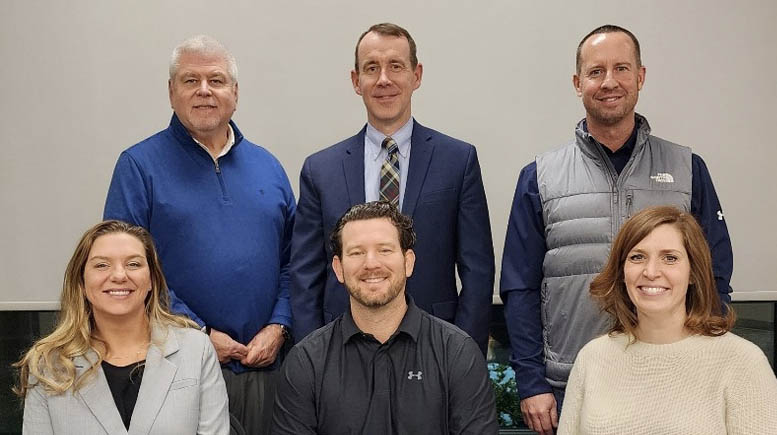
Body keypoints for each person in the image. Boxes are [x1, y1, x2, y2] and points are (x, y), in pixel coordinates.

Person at [500, 24, 734, 434]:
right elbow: (519, 287)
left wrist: (706, 362)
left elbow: (715, 274)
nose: (609, 82)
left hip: (672, 379)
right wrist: (531, 382)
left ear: (640, 77)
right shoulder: (540, 177)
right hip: (567, 384)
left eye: (622, 69)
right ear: (578, 83)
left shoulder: (687, 169)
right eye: (596, 72)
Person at [103, 35, 295, 434]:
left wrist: (279, 325)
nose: (204, 90)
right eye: (190, 81)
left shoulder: (269, 167)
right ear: (171, 92)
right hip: (178, 366)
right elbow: (124, 272)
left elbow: (296, 262)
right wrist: (199, 333)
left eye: (216, 80)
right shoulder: (139, 167)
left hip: (268, 366)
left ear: (235, 94)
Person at [290, 23, 495, 354]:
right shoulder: (320, 170)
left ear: (417, 75)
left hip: (435, 347)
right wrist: (311, 356)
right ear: (357, 81)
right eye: (372, 68)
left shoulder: (458, 161)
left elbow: (478, 270)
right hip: (340, 347)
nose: (384, 79)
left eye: (395, 66)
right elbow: (304, 277)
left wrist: (464, 354)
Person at [272, 201, 498, 434]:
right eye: (357, 252)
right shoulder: (306, 363)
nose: (371, 263)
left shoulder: (457, 354)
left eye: (385, 250)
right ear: (338, 268)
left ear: (408, 262)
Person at [558, 206, 777, 434]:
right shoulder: (592, 358)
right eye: (637, 257)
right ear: (622, 271)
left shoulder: (742, 362)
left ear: (693, 272)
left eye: (670, 258)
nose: (651, 271)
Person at [15, 220, 229, 434]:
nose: (119, 275)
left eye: (133, 264)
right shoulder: (48, 364)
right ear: (81, 282)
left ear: (152, 280)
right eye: (101, 265)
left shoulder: (195, 349)